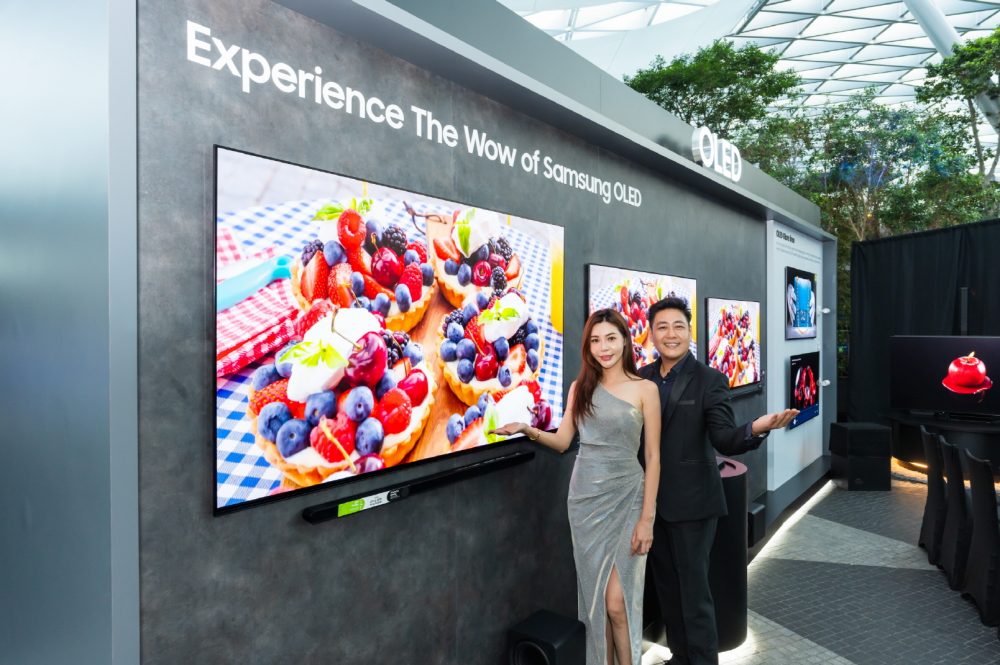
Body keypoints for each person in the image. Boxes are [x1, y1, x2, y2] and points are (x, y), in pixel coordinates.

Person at [492, 308, 661, 665]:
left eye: (611, 338)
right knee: (597, 603)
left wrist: (647, 519)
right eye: (595, 340)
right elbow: (562, 441)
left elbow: (653, 456)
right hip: (585, 502)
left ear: (626, 340)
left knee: (618, 604)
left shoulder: (646, 389)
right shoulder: (579, 388)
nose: (604, 347)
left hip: (629, 498)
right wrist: (526, 429)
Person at [639, 297, 798, 665]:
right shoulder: (642, 377)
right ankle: (680, 657)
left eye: (678, 326)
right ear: (651, 334)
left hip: (693, 503)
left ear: (689, 332)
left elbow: (724, 438)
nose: (671, 334)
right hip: (650, 503)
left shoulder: (710, 380)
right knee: (667, 588)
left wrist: (757, 427)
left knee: (694, 593)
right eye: (662, 327)